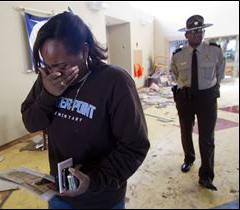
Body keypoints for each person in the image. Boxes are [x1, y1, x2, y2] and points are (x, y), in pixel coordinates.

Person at [21, 11, 150, 209]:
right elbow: (31, 123)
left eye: (61, 65)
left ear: (84, 50)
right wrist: (48, 95)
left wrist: (94, 179)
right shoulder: (47, 81)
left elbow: (134, 146)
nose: (54, 73)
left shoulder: (114, 82)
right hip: (59, 194)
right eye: (46, 66)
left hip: (101, 197)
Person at [171, 15, 226, 191]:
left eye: (199, 30)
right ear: (186, 35)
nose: (196, 34)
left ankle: (206, 176)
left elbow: (220, 74)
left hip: (207, 99)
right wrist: (181, 86)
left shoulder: (215, 51)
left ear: (203, 31)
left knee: (207, 137)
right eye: (192, 32)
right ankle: (189, 159)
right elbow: (172, 74)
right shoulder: (178, 54)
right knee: (186, 132)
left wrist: (209, 88)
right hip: (185, 98)